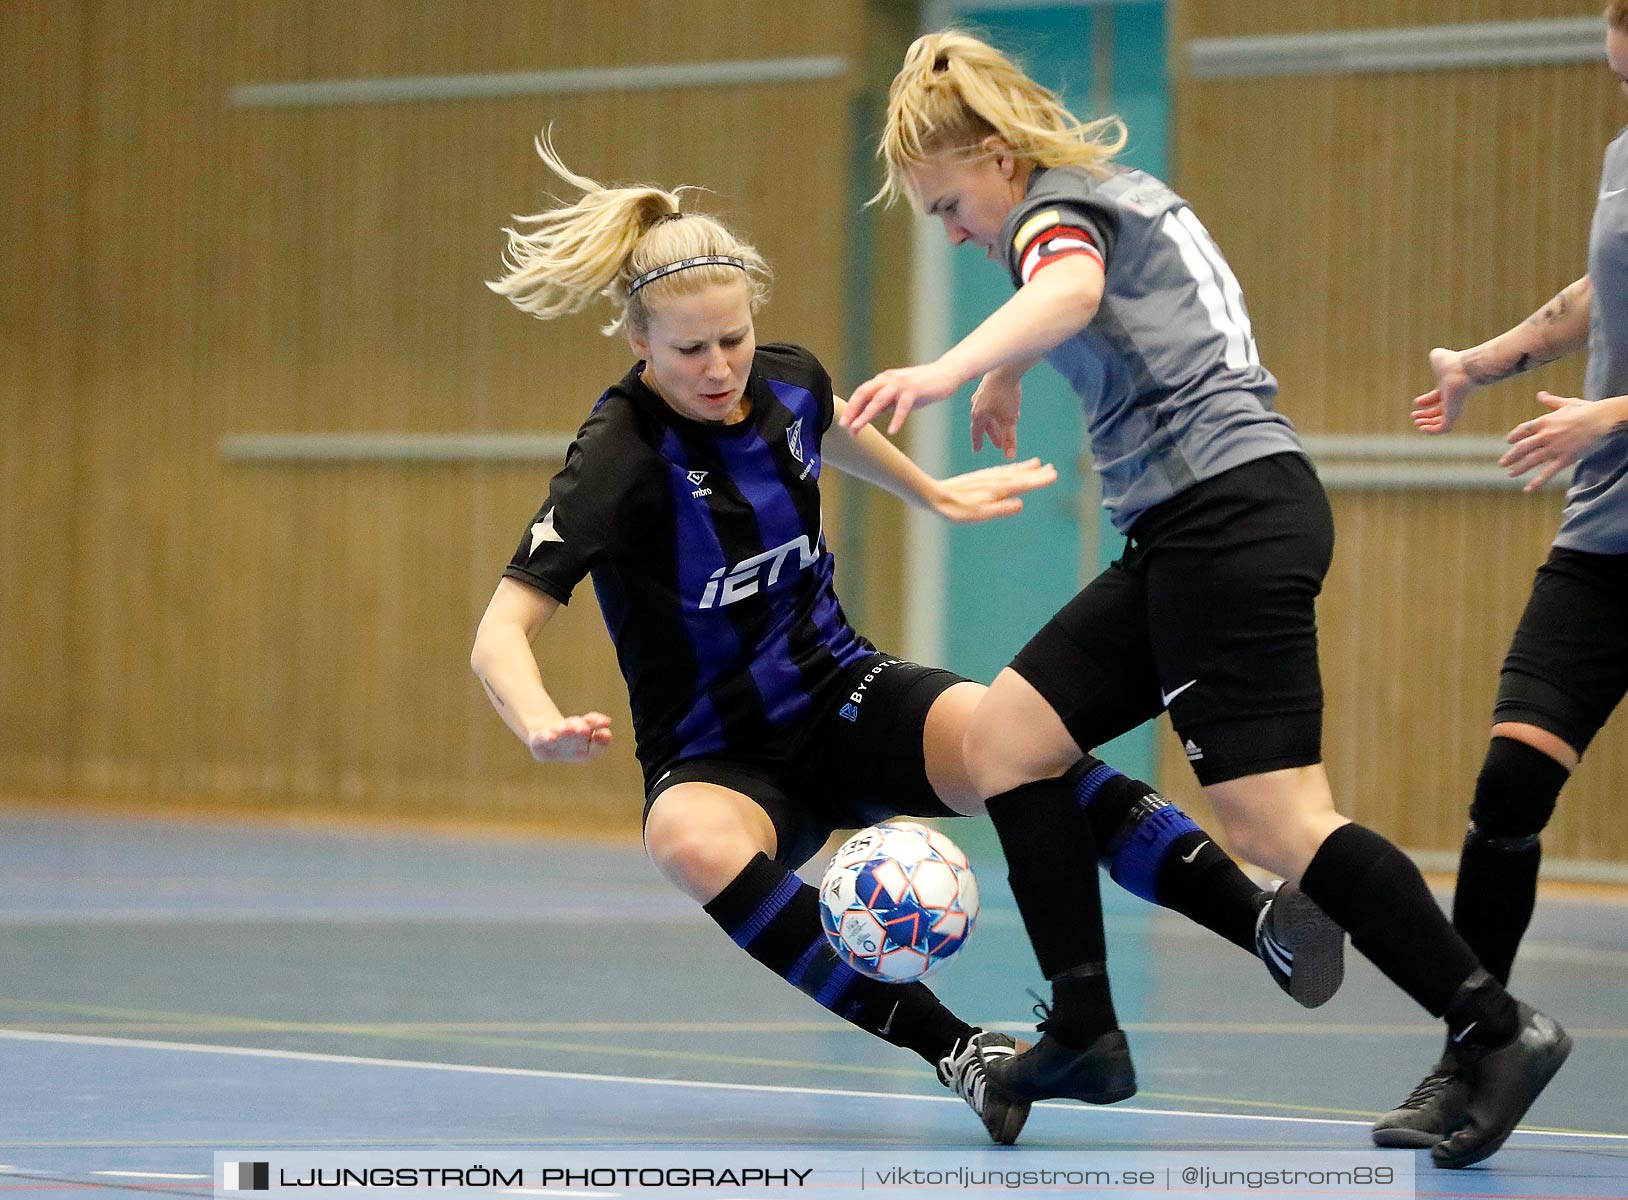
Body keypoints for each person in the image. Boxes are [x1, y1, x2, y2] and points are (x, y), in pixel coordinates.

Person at [470, 131, 1345, 1147]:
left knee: (1008, 739)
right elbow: (501, 628)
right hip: (716, 752)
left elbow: (828, 423)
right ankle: (956, 1049)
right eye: (688, 351)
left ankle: (1258, 921)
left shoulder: (784, 381)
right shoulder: (619, 456)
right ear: (637, 344)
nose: (718, 369)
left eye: (733, 340)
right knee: (688, 844)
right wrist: (535, 723)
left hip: (839, 689)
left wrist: (930, 494)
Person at [844, 30, 1572, 1169]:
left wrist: (944, 368)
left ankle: (1493, 1027)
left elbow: (1072, 285)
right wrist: (1007, 367)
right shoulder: (1104, 191)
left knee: (1273, 823)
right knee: (1007, 739)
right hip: (1191, 528)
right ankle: (1083, 1030)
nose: (953, 231)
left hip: (1222, 520)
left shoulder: (1049, 216)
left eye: (945, 207)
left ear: (995, 158)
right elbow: (1096, 298)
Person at [1372, 1, 1628, 1152]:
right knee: (1506, 793)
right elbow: (1596, 292)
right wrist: (1481, 360)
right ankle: (1473, 1054)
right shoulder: (1624, 157)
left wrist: (1609, 414)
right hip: (1604, 542)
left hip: (1602, 462)